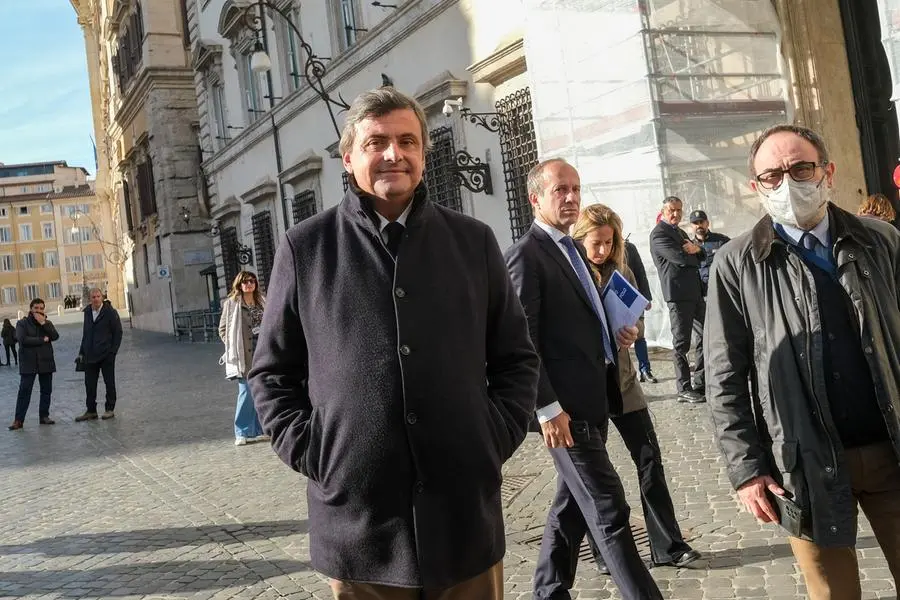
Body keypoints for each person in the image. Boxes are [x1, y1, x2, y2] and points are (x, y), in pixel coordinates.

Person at [249, 87, 539, 599]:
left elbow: (516, 358)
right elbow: (271, 372)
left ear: (423, 155)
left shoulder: (473, 242)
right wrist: (318, 452)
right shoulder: (306, 248)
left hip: (463, 518)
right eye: (376, 142)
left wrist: (491, 436)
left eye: (408, 141)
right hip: (360, 526)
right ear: (347, 157)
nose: (393, 154)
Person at [706, 124, 900, 599]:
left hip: (892, 447)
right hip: (804, 462)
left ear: (827, 171)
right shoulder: (737, 263)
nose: (787, 182)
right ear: (756, 187)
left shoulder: (881, 240)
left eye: (800, 168)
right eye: (771, 175)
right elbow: (724, 374)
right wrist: (747, 470)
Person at [505, 158, 662, 600]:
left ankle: (548, 591)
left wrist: (619, 333)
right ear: (536, 198)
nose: (572, 197)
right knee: (610, 509)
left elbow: (580, 323)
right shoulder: (526, 256)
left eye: (575, 188)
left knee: (569, 508)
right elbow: (522, 342)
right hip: (565, 412)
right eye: (560, 190)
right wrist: (547, 409)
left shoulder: (572, 250)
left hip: (596, 401)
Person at [573, 204, 700, 573]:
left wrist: (634, 332)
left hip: (625, 383)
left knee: (649, 461)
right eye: (596, 243)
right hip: (588, 388)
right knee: (596, 476)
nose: (602, 250)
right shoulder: (569, 274)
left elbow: (638, 319)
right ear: (580, 240)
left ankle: (669, 546)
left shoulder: (621, 269)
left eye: (609, 243)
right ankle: (604, 553)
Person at [649, 196, 706, 403]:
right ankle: (683, 387)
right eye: (672, 210)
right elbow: (681, 258)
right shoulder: (659, 234)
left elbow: (700, 257)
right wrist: (695, 251)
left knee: (706, 336)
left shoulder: (680, 232)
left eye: (679, 210)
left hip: (695, 292)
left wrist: (697, 249)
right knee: (681, 344)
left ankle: (700, 382)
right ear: (663, 211)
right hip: (678, 295)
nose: (676, 214)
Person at [218, 270, 269, 446]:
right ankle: (242, 431)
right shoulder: (231, 304)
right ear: (239, 284)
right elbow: (222, 328)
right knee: (246, 392)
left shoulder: (262, 301)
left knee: (262, 390)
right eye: (246, 282)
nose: (249, 284)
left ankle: (260, 429)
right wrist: (231, 344)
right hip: (243, 353)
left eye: (252, 281)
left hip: (263, 350)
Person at [8, 299, 59, 430]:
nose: (39, 311)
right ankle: (18, 420)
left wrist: (43, 324)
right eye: (36, 308)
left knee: (46, 390)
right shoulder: (22, 323)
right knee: (24, 392)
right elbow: (22, 339)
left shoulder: (47, 323)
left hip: (45, 361)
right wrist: (42, 339)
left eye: (41, 308)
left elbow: (55, 336)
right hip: (28, 363)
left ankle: (44, 416)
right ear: (31, 309)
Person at [75, 288, 123, 422]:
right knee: (89, 384)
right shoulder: (87, 313)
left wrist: (113, 351)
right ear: (90, 299)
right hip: (90, 354)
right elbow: (86, 334)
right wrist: (81, 352)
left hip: (106, 353)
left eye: (98, 296)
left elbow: (118, 332)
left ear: (102, 297)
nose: (96, 299)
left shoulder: (110, 312)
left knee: (109, 382)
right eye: (93, 297)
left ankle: (109, 409)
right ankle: (91, 410)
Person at [624, 237, 656, 383]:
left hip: (633, 296)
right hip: (613, 298)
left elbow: (640, 271)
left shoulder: (629, 247)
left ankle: (645, 370)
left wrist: (646, 297)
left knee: (639, 334)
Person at [688, 209, 730, 297]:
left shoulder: (721, 240)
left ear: (707, 223)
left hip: (722, 288)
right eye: (695, 223)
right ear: (691, 226)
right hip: (702, 292)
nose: (699, 225)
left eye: (701, 222)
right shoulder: (690, 246)